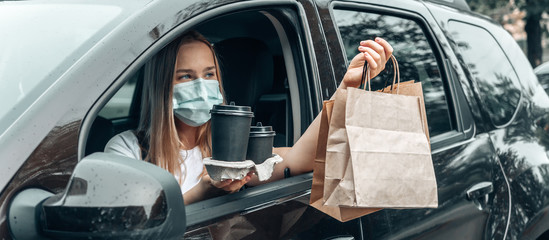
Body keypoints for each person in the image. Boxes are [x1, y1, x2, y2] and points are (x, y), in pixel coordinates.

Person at [104, 30, 393, 204]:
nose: (201, 86)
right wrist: (202, 192)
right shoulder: (128, 151)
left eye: (208, 75)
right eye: (185, 77)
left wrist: (347, 87)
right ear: (162, 87)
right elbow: (135, 225)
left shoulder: (233, 145)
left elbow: (301, 160)